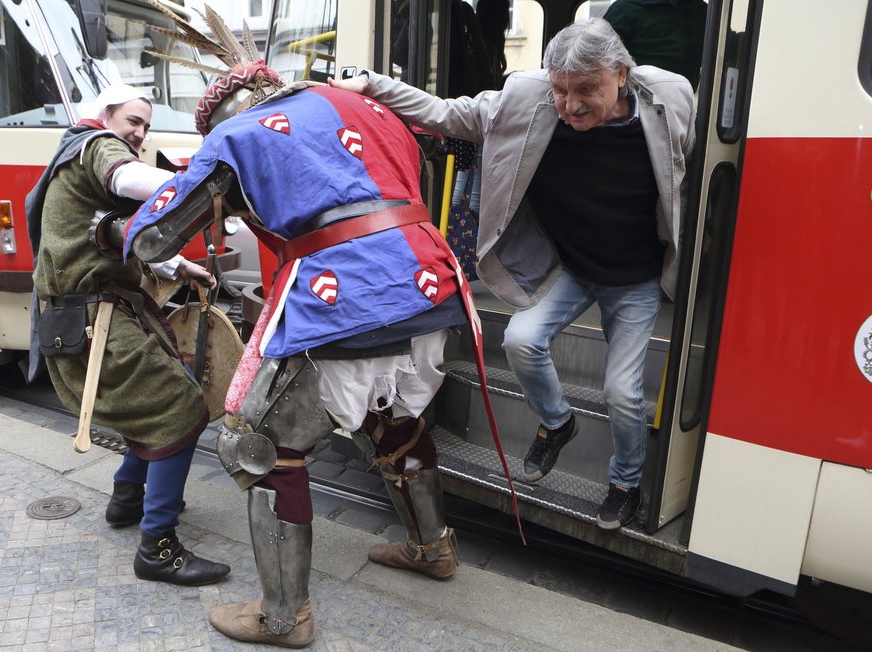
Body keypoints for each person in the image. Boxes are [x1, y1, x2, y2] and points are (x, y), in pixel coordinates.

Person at [117, 6, 501, 645]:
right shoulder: (372, 109)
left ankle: (282, 617)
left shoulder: (237, 135)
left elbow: (154, 236)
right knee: (392, 419)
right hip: (431, 288)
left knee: (256, 445)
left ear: (221, 113)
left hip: (344, 300)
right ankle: (432, 547)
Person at [330, 17, 695, 531]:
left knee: (622, 393)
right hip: (571, 266)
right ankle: (557, 422)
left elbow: (690, 164)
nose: (570, 106)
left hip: (634, 278)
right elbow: (446, 113)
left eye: (586, 89)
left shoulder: (669, 98)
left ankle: (624, 483)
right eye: (561, 90)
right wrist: (370, 82)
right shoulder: (529, 101)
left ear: (620, 74)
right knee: (521, 340)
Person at [26, 84, 230, 586]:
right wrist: (204, 185)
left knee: (153, 401)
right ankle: (158, 548)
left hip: (92, 316)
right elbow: (129, 176)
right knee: (178, 406)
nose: (139, 133)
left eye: (145, 125)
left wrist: (180, 267)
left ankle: (127, 499)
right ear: (105, 115)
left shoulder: (72, 160)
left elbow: (120, 237)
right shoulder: (95, 146)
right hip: (95, 321)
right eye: (133, 121)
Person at [604, 0, 708, 89]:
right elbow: (599, 62)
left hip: (684, 104)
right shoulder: (624, 10)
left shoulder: (704, 12)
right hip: (636, 103)